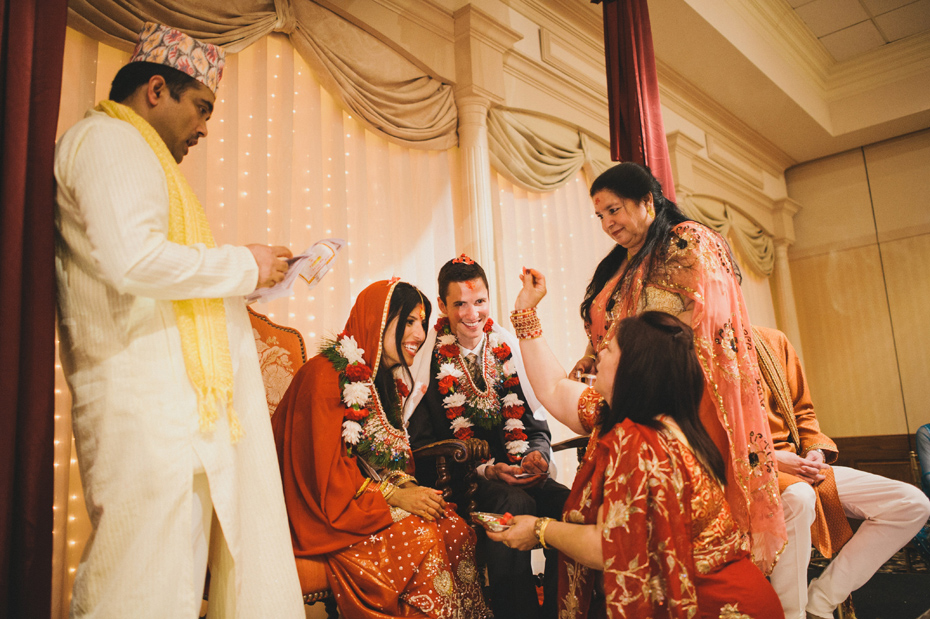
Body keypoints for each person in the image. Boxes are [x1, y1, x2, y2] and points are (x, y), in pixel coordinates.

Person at [54, 22, 303, 617]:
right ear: (156, 89)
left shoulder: (137, 154)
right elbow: (133, 260)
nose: (205, 127)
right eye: (201, 107)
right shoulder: (109, 142)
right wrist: (242, 264)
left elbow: (153, 272)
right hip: (144, 412)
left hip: (178, 415)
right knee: (137, 587)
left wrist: (241, 281)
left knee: (169, 587)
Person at [495, 269, 782, 618]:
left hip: (710, 605)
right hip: (742, 597)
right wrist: (526, 311)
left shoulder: (638, 440)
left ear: (634, 367)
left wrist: (540, 529)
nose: (597, 353)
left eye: (610, 347)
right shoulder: (653, 421)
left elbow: (612, 546)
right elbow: (553, 387)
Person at [572, 162, 785, 572]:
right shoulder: (619, 263)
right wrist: (590, 354)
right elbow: (615, 324)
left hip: (680, 400)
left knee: (682, 531)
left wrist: (643, 368)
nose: (607, 223)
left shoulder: (685, 241)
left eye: (613, 210)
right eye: (600, 215)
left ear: (647, 201)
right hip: (627, 402)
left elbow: (706, 324)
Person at [273, 279, 489, 618]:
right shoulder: (325, 376)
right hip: (319, 512)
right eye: (408, 322)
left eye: (421, 322)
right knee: (421, 535)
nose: (419, 333)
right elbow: (324, 476)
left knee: (454, 527)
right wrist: (395, 496)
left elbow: (388, 460)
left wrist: (405, 487)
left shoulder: (382, 383)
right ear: (377, 318)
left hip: (359, 500)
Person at [406, 256, 570, 619]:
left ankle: (560, 612)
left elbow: (536, 425)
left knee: (572, 507)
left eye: (479, 301)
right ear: (443, 306)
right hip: (463, 485)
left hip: (521, 473)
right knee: (514, 504)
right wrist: (485, 471)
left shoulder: (506, 347)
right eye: (459, 304)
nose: (471, 313)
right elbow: (419, 445)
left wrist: (537, 457)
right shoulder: (426, 360)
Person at [753, 326, 930, 619]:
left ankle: (819, 605)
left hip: (801, 464)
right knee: (798, 497)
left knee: (912, 504)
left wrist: (816, 452)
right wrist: (771, 459)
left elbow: (803, 413)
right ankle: (790, 614)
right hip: (748, 469)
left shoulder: (773, 341)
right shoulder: (697, 348)